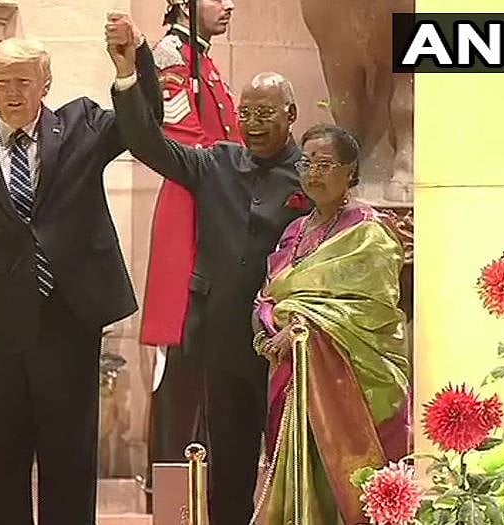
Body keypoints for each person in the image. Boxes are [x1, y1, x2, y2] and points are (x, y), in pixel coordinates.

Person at [0, 20, 161, 525]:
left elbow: (145, 125)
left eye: (24, 81)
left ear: (45, 83)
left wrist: (131, 67)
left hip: (67, 322)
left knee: (69, 462)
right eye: (3, 82)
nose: (13, 92)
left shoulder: (82, 127)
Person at [107, 26, 312, 524]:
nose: (253, 124)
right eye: (246, 113)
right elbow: (148, 144)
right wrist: (128, 76)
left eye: (265, 114)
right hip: (222, 340)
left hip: (288, 347)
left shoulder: (311, 175)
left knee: (294, 467)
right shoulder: (216, 163)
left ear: (291, 116)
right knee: (230, 468)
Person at [250, 123, 410, 525]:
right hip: (291, 373)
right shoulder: (294, 231)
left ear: (350, 171)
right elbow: (270, 295)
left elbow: (373, 308)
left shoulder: (369, 231)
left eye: (324, 164)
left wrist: (303, 327)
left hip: (352, 375)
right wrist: (268, 324)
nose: (313, 173)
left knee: (343, 479)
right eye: (306, 163)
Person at [143, 0, 241, 486]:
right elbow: (184, 140)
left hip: (217, 208)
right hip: (193, 212)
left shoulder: (201, 58)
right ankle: (173, 489)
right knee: (181, 353)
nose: (229, 5)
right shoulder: (171, 56)